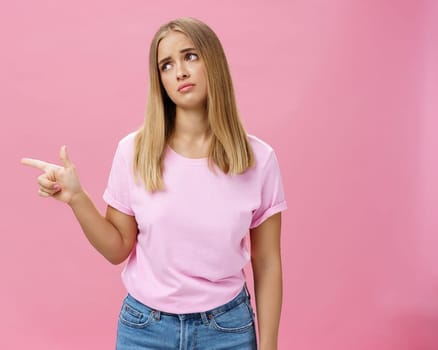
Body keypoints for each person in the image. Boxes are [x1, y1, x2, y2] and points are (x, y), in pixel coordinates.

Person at [21, 17, 287, 350]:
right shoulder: (133, 151)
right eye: (166, 65)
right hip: (145, 330)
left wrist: (270, 346)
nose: (180, 72)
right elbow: (117, 249)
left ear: (213, 61)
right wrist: (76, 197)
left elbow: (267, 262)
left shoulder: (259, 160)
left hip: (227, 331)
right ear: (159, 79)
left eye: (190, 56)